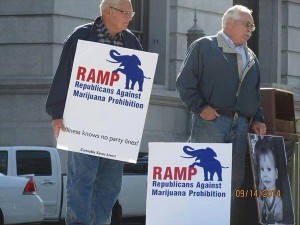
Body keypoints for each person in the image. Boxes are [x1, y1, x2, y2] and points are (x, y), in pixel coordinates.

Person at [45, 0, 142, 224]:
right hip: (82, 123)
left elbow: (139, 83)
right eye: (125, 12)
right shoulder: (82, 36)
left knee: (110, 184)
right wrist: (57, 114)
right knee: (81, 180)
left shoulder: (130, 41)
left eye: (131, 12)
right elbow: (64, 74)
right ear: (108, 11)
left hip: (117, 127)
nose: (130, 17)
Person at [176, 5, 267, 225]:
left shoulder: (251, 56)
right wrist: (201, 108)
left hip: (241, 127)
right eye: (247, 25)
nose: (250, 30)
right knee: (203, 182)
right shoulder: (204, 46)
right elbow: (185, 83)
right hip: (211, 123)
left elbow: (253, 93)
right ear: (229, 24)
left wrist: (258, 119)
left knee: (232, 184)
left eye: (252, 26)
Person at [255, 138, 283, 224]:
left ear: (276, 173)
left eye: (269, 169)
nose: (265, 174)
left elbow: (279, 220)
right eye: (262, 169)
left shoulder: (278, 200)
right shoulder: (260, 192)